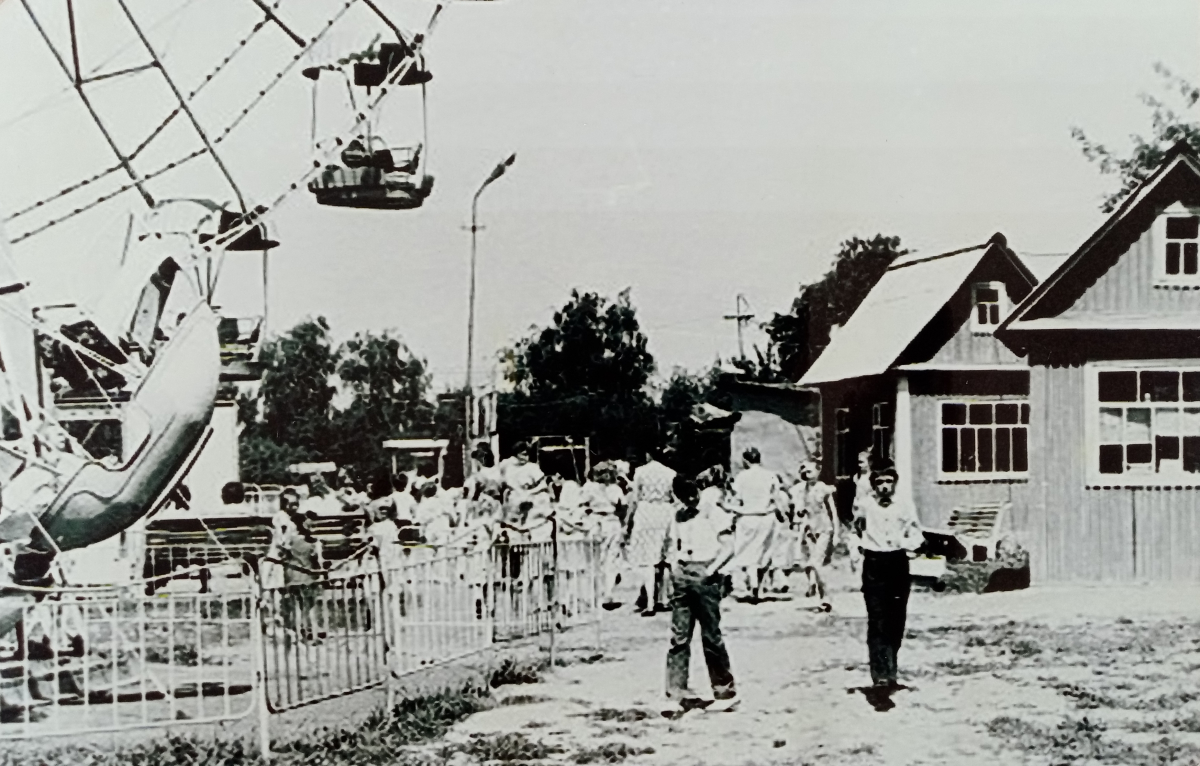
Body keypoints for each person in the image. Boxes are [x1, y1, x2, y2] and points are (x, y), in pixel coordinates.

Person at [661, 474, 737, 709]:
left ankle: (725, 692)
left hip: (706, 572)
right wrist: (674, 567)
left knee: (711, 636)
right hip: (683, 573)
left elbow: (729, 546)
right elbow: (673, 545)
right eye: (685, 497)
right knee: (679, 638)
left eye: (693, 494)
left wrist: (711, 571)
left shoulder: (713, 511)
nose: (691, 499)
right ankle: (676, 694)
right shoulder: (678, 516)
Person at [852, 465, 924, 688]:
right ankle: (880, 675)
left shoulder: (904, 505)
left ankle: (891, 669)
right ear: (873, 485)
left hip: (897, 563)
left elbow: (916, 533)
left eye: (888, 481)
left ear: (894, 483)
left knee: (896, 619)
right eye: (880, 482)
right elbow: (855, 531)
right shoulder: (864, 505)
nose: (884, 486)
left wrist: (906, 545)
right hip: (874, 563)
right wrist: (858, 551)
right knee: (877, 619)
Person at [625, 451, 677, 615]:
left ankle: (649, 602)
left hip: (646, 511)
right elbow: (674, 497)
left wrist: (628, 522)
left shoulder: (640, 471)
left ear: (648, 455)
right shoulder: (670, 473)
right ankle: (664, 598)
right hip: (665, 511)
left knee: (648, 559)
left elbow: (635, 498)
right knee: (665, 557)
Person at [729, 447, 782, 602]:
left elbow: (737, 498)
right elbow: (776, 498)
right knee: (764, 552)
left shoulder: (742, 477)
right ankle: (759, 587)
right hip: (766, 516)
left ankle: (751, 583)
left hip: (748, 516)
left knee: (747, 552)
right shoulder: (770, 475)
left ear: (745, 460)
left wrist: (733, 516)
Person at [792, 460, 837, 611]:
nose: (806, 473)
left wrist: (836, 533)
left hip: (824, 528)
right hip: (810, 530)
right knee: (809, 564)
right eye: (804, 471)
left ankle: (826, 597)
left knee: (816, 564)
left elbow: (833, 512)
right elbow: (801, 511)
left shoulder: (823, 488)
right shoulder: (802, 490)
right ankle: (815, 587)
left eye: (809, 471)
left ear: (818, 472)